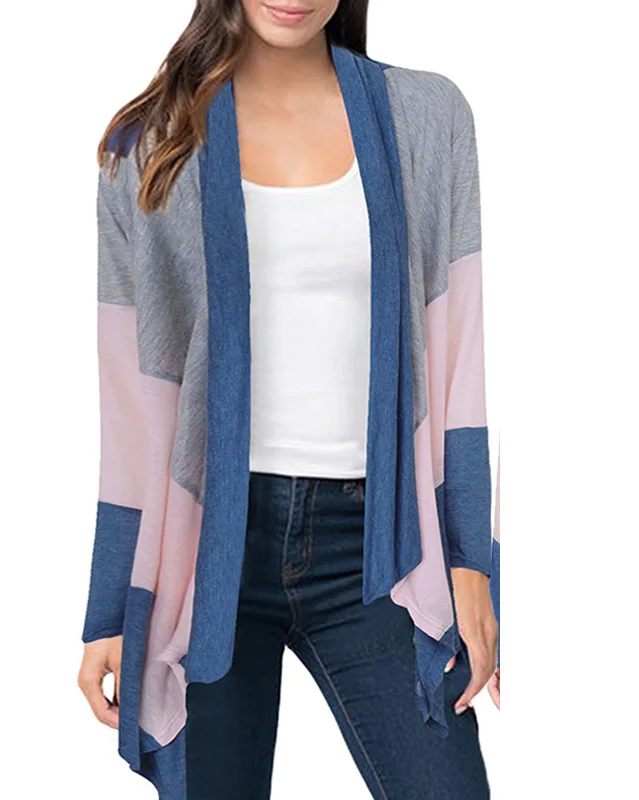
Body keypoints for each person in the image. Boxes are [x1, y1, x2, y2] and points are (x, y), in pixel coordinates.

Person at [77, 1, 499, 797]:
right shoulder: (151, 145)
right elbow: (133, 402)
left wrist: (471, 559)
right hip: (210, 555)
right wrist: (111, 606)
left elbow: (459, 353)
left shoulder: (426, 116)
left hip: (380, 549)